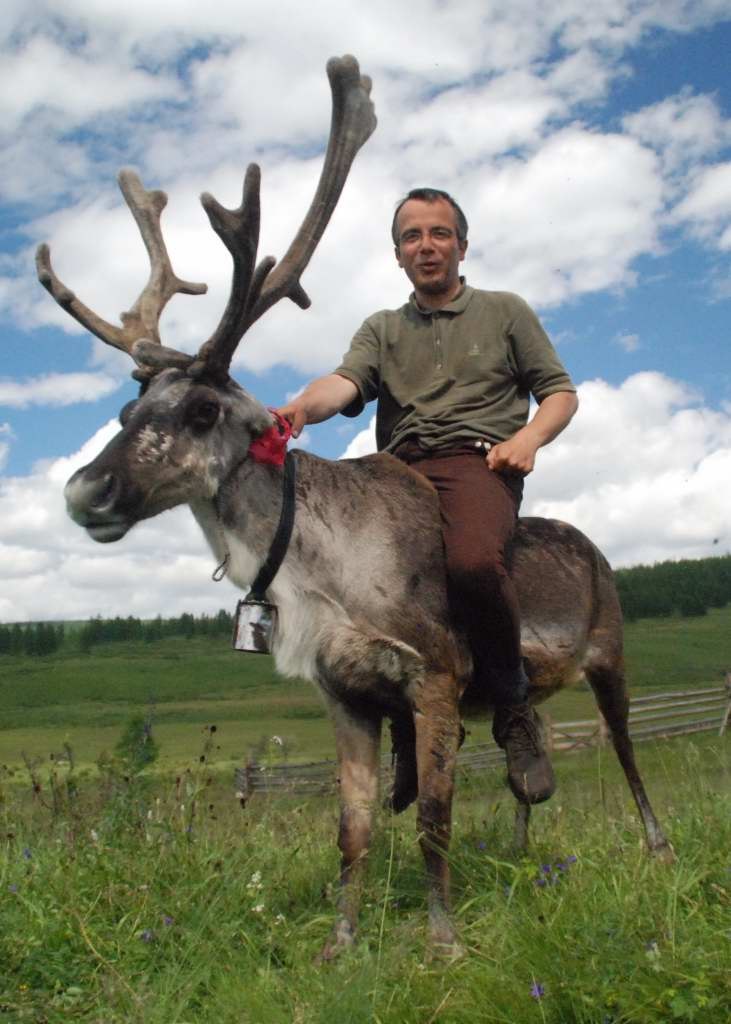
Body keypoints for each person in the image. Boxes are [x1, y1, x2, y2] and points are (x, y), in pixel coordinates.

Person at [277, 187, 578, 804]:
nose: (426, 246)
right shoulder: (383, 329)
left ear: (461, 246)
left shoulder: (506, 312)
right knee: (370, 592)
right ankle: (407, 732)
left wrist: (529, 439)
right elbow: (344, 382)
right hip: (394, 472)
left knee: (470, 563)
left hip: (477, 462)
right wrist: (302, 406)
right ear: (398, 255)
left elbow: (560, 393)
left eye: (439, 233)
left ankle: (514, 710)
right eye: (412, 236)